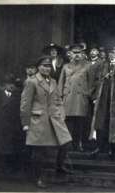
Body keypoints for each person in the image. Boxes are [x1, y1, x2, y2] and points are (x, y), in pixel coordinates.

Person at [20, 55, 72, 188]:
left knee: (66, 142)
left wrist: (61, 113)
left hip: (54, 118)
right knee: (39, 151)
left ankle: (59, 166)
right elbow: (25, 104)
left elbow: (58, 100)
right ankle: (38, 177)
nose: (47, 68)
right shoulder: (32, 82)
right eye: (44, 66)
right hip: (38, 119)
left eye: (49, 66)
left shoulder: (53, 82)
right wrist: (25, 123)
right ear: (38, 67)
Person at [58, 44, 93, 152]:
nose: (77, 55)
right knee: (67, 122)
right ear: (70, 54)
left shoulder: (87, 66)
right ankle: (66, 145)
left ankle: (77, 144)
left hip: (80, 98)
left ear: (82, 54)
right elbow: (61, 83)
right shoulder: (65, 67)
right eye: (74, 53)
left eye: (79, 53)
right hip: (68, 97)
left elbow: (91, 83)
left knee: (79, 123)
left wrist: (87, 94)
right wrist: (59, 97)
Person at [0, 73, 24, 174]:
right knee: (0, 146)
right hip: (0, 124)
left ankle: (10, 168)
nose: (11, 86)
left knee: (11, 147)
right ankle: (1, 167)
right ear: (4, 85)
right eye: (8, 84)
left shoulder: (18, 96)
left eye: (12, 84)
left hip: (13, 126)